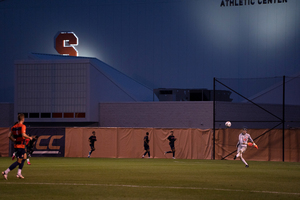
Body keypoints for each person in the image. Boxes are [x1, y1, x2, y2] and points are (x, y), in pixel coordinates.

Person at [2, 113, 32, 180]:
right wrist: (29, 137)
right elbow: (23, 134)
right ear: (23, 119)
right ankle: (5, 172)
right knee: (19, 161)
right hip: (20, 146)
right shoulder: (23, 126)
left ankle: (19, 173)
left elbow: (9, 136)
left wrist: (14, 140)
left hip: (17, 145)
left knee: (24, 157)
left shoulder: (13, 127)